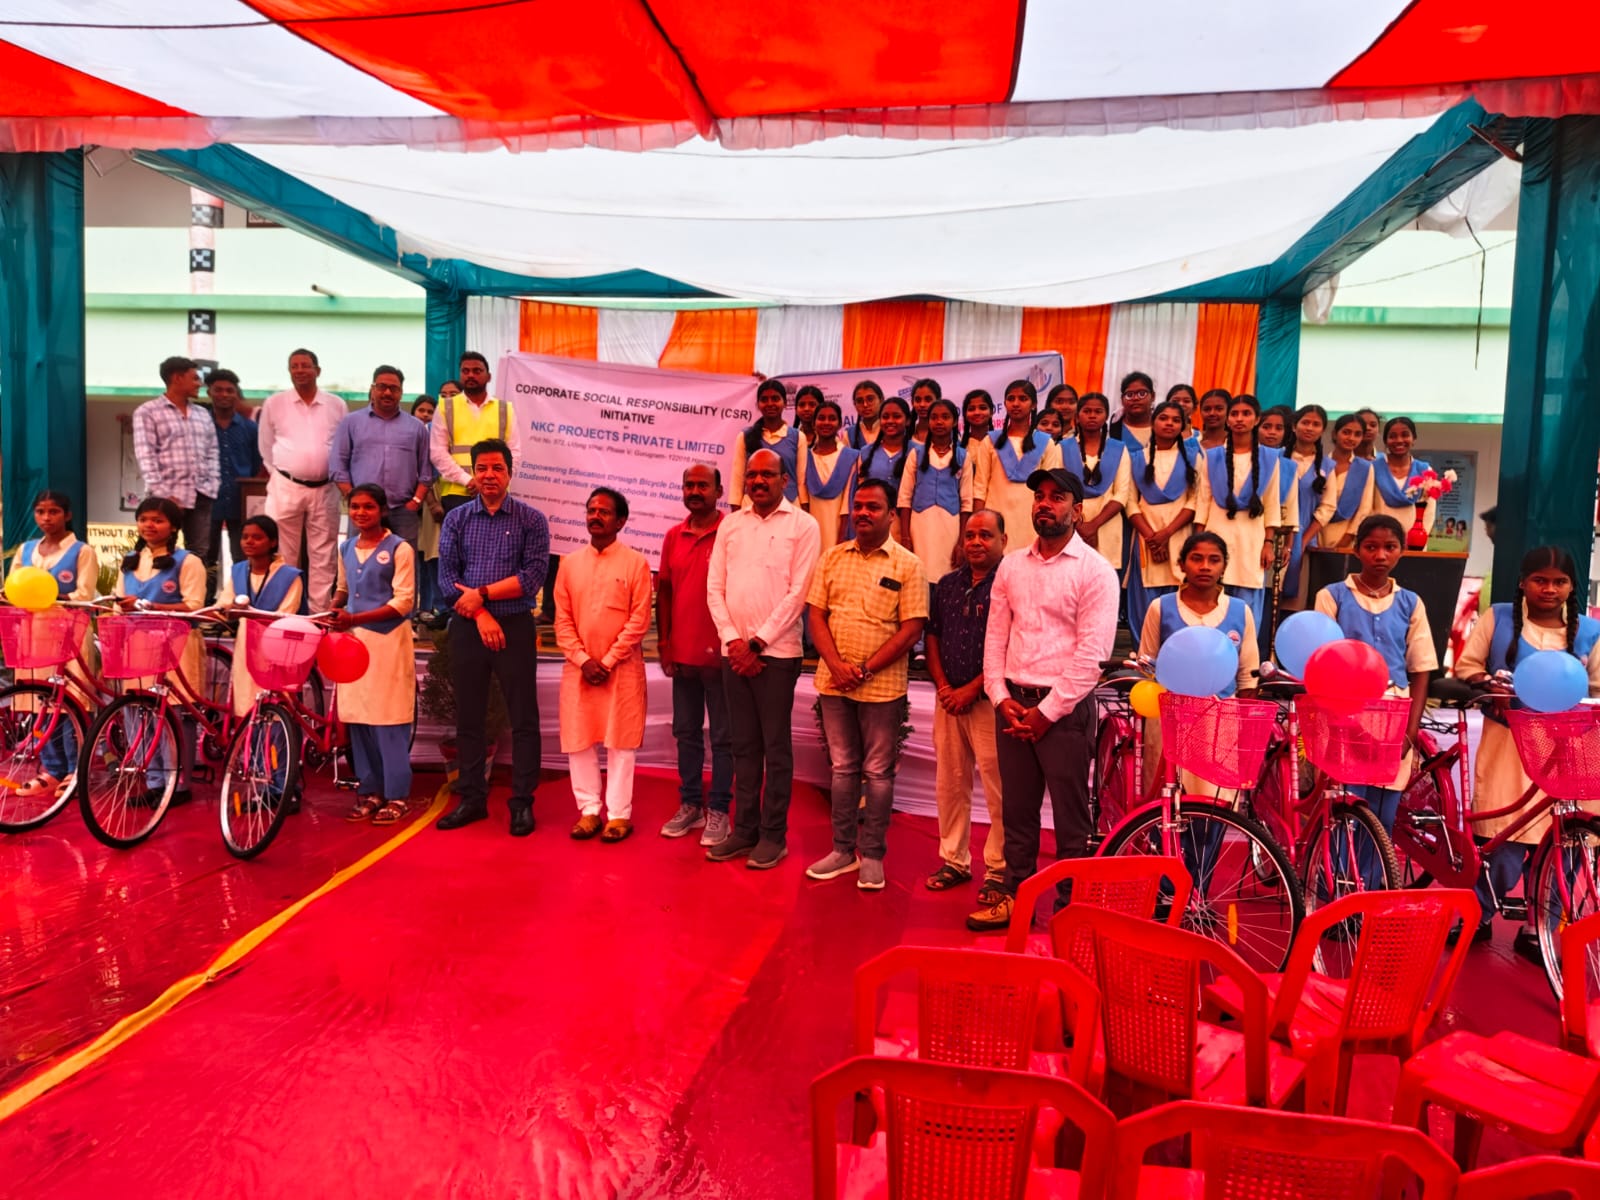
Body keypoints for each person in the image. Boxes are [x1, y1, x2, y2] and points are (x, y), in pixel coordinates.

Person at [967, 468, 1119, 931]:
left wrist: (1046, 713)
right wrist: (999, 697)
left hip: (1065, 711)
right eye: (1039, 496)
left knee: (1071, 819)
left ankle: (1071, 911)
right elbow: (995, 638)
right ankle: (1016, 899)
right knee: (1017, 812)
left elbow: (1093, 657)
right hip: (1013, 705)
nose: (1044, 504)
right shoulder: (1012, 565)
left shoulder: (1095, 570)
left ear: (1078, 511)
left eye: (1057, 497)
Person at [1454, 546, 1598, 954]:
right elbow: (1467, 666)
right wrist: (1489, 684)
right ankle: (1478, 915)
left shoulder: (1590, 632)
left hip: (1568, 750)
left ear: (1571, 587)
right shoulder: (1498, 618)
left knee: (1565, 844)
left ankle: (1539, 930)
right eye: (1540, 580)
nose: (1549, 589)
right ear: (1523, 583)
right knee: (1504, 841)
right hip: (1509, 748)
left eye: (1559, 582)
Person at [804, 477, 928, 891]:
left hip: (882, 688)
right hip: (834, 683)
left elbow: (911, 629)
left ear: (892, 515)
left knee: (877, 773)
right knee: (842, 769)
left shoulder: (908, 565)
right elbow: (816, 615)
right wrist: (837, 666)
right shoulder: (832, 557)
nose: (862, 513)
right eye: (858, 506)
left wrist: (865, 669)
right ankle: (842, 851)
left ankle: (872, 855)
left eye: (872, 507)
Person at [704, 448, 821, 868]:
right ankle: (744, 830)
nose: (757, 481)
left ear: (784, 480)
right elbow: (714, 588)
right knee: (743, 746)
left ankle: (773, 835)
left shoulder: (803, 525)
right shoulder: (731, 524)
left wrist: (757, 644)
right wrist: (734, 641)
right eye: (752, 475)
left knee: (775, 747)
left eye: (767, 475)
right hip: (734, 654)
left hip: (777, 655)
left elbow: (799, 593)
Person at [435, 438, 549, 837]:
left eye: (497, 468)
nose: (489, 475)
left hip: (515, 626)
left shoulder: (532, 520)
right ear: (472, 473)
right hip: (469, 627)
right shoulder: (457, 519)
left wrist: (482, 594)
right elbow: (447, 580)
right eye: (481, 468)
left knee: (523, 718)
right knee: (469, 717)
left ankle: (522, 803)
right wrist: (481, 613)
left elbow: (531, 579)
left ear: (510, 473)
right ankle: (472, 799)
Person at [1312, 515, 1437, 870]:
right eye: (1371, 547)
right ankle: (1337, 886)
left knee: (1383, 814)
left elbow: (1421, 669)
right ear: (1357, 550)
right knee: (1346, 806)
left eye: (1389, 547)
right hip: (1344, 715)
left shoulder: (1410, 603)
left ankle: (1370, 885)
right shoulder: (1332, 596)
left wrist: (1410, 732)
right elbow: (1321, 662)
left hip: (1394, 717)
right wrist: (1337, 719)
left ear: (1401, 551)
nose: (1380, 555)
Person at [554, 488, 653, 842]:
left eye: (604, 512)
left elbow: (639, 621)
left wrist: (607, 661)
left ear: (621, 521)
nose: (595, 516)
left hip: (621, 668)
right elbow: (562, 620)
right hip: (579, 668)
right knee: (579, 739)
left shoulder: (635, 563)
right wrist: (583, 660)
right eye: (591, 510)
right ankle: (589, 810)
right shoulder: (569, 564)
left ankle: (619, 814)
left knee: (620, 741)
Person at [924, 509, 1008, 907]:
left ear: (1003, 541)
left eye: (985, 535)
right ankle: (954, 860)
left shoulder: (1011, 584)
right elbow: (933, 636)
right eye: (970, 535)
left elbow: (1011, 645)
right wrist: (944, 687)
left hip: (991, 702)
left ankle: (998, 869)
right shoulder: (947, 584)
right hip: (948, 701)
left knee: (998, 788)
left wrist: (972, 690)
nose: (976, 542)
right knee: (951, 784)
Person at [1137, 532, 1259, 798]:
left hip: (1221, 717)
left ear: (1224, 566)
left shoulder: (1240, 611)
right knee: (1167, 796)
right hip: (1170, 717)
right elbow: (1146, 665)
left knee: (1217, 798)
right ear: (1181, 564)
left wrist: (1243, 725)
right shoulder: (1161, 608)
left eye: (1214, 560)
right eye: (1196, 559)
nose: (1205, 566)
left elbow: (1248, 674)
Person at [329, 486, 417, 825]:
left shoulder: (399, 548)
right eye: (354, 507)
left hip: (388, 642)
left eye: (368, 507)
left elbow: (403, 602)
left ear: (382, 510)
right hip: (353, 644)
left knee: (388, 718)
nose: (360, 513)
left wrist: (354, 618)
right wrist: (333, 609)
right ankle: (371, 791)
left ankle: (397, 795)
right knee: (359, 718)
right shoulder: (346, 547)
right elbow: (343, 588)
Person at [657, 465, 734, 845]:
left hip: (723, 656)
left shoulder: (732, 533)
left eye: (703, 485)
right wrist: (664, 644)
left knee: (723, 737)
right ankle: (690, 805)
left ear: (719, 491)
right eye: (689, 485)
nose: (695, 491)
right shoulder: (674, 536)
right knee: (685, 733)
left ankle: (719, 810)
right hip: (683, 654)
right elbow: (665, 592)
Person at [115, 496, 207, 806]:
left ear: (174, 526)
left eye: (158, 520)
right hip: (136, 644)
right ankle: (154, 781)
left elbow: (194, 607)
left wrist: (149, 605)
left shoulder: (188, 561)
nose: (149, 525)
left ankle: (178, 784)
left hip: (176, 645)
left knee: (174, 714)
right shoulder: (130, 559)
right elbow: (119, 602)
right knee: (138, 713)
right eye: (144, 519)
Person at [8, 490, 99, 801]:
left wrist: (49, 596)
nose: (46, 518)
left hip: (69, 634)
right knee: (41, 704)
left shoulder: (82, 551)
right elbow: (14, 588)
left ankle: (76, 770)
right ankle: (52, 769)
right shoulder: (26, 550)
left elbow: (85, 595)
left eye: (54, 511)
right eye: (41, 512)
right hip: (32, 636)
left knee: (70, 703)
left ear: (67, 515)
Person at [257, 348, 346, 610]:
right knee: (283, 553)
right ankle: (285, 611)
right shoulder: (274, 403)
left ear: (317, 370)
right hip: (286, 485)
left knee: (323, 554)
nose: (299, 370)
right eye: (294, 366)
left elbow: (342, 445)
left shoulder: (336, 405)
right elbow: (265, 446)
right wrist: (285, 472)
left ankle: (319, 614)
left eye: (305, 365)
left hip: (326, 487)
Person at [1194, 392, 1282, 630]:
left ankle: (1244, 652)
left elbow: (1272, 503)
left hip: (1252, 541)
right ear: (1228, 419)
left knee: (1247, 608)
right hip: (1216, 535)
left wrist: (1268, 543)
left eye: (1246, 413)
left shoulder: (1270, 458)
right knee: (1212, 600)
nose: (1239, 419)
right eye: (1234, 414)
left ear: (1257, 419)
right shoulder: (1213, 457)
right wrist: (1198, 542)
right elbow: (1203, 501)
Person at [329, 365, 433, 550]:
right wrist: (353, 498)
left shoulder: (416, 427)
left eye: (393, 388)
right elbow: (338, 465)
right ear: (373, 389)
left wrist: (416, 501)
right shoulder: (351, 422)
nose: (387, 392)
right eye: (382, 387)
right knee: (361, 561)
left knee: (404, 563)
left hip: (403, 512)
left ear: (401, 392)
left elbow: (426, 470)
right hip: (363, 511)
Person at [216, 515, 306, 719]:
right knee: (246, 704)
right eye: (245, 537)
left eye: (257, 537)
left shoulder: (289, 576)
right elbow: (224, 604)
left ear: (273, 542)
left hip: (279, 647)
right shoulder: (238, 571)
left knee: (277, 709)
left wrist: (244, 612)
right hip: (245, 646)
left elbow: (287, 614)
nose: (249, 541)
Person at [132, 356, 220, 559]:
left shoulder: (202, 414)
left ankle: (195, 582)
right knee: (158, 550)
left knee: (199, 553)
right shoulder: (148, 412)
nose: (199, 384)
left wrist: (212, 486)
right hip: (165, 497)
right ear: (177, 378)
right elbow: (146, 455)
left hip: (201, 494)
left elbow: (213, 452)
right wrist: (163, 494)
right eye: (195, 378)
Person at [1125, 398, 1198, 627]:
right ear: (1153, 422)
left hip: (1179, 534)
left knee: (1178, 596)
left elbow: (1195, 500)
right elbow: (1130, 502)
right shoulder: (1137, 458)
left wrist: (1166, 534)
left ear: (1183, 425)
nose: (1169, 423)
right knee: (1145, 602)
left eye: (1176, 420)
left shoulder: (1193, 457)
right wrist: (1152, 538)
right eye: (1163, 418)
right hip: (1145, 537)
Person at [974, 379, 1062, 554]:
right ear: (1004, 403)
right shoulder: (990, 441)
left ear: (1033, 404)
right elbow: (980, 488)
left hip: (1031, 522)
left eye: (1023, 399)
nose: (1016, 403)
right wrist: (978, 525)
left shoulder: (1046, 443)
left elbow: (1051, 489)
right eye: (1011, 398)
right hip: (994, 520)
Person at [430, 351, 523, 514]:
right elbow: (438, 452)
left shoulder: (505, 409)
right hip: (457, 492)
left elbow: (514, 452)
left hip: (496, 493)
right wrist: (467, 480)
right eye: (465, 371)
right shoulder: (446, 407)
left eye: (477, 371)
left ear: (489, 377)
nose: (470, 375)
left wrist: (494, 482)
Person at [897, 396, 972, 579]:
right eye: (934, 417)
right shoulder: (916, 454)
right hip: (920, 527)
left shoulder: (963, 457)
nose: (939, 422)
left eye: (945, 417)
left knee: (947, 577)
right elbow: (904, 499)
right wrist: (905, 537)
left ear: (954, 422)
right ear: (928, 421)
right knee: (919, 576)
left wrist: (962, 542)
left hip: (950, 528)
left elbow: (967, 503)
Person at [202, 367, 262, 593]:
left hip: (240, 500)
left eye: (230, 390)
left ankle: (240, 600)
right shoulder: (201, 425)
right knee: (206, 556)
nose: (224, 395)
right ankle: (206, 603)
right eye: (219, 390)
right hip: (207, 500)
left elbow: (256, 463)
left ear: (236, 393)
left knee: (243, 555)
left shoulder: (250, 428)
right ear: (209, 392)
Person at [1059, 392, 1133, 574]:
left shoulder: (1118, 449)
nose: (1092, 415)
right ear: (1078, 416)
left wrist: (1093, 526)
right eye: (1087, 411)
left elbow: (1122, 494)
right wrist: (1079, 526)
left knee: (1105, 578)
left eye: (1098, 411)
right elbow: (1059, 490)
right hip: (1071, 526)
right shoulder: (1062, 448)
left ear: (1106, 416)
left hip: (1108, 527)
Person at [1280, 405, 1332, 609]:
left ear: (1322, 430)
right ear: (1294, 426)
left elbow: (1327, 507)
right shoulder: (1277, 458)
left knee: (1296, 600)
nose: (1310, 428)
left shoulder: (1327, 466)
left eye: (1316, 424)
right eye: (1305, 422)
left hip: (1306, 538)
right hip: (1276, 533)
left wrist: (1303, 541)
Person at [1305, 413, 1375, 553]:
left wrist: (1345, 542)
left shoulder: (1364, 468)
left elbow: (1364, 509)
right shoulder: (1319, 463)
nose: (1351, 438)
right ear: (1334, 434)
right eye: (1346, 432)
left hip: (1346, 538)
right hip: (1312, 533)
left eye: (1357, 434)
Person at [730, 378, 804, 506]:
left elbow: (801, 480)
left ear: (785, 403)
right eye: (764, 400)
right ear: (758, 404)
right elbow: (738, 478)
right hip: (752, 506)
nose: (770, 404)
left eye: (775, 399)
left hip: (789, 506)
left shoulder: (798, 437)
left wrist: (803, 507)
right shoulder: (745, 436)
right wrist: (736, 507)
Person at [799, 400, 859, 555]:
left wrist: (842, 536)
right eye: (821, 418)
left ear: (840, 424)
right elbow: (803, 497)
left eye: (832, 418)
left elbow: (847, 502)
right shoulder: (805, 457)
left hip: (840, 529)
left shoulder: (851, 457)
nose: (826, 422)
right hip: (810, 527)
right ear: (814, 423)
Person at [855, 396, 912, 529]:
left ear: (908, 421)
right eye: (885, 417)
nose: (890, 421)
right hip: (874, 522)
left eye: (896, 416)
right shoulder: (865, 452)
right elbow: (861, 489)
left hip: (908, 523)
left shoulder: (918, 452)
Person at [411, 395, 445, 616]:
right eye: (421, 410)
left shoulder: (438, 436)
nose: (425, 415)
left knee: (433, 554)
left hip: (433, 500)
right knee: (419, 556)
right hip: (413, 502)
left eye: (430, 411)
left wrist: (431, 501)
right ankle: (422, 607)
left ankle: (434, 607)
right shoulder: (409, 435)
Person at [1373, 416, 1436, 530]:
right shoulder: (1373, 468)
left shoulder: (1424, 471)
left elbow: (1429, 511)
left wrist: (1420, 535)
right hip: (1377, 535)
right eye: (1392, 436)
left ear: (1414, 438)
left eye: (1405, 435)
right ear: (1385, 441)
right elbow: (1367, 507)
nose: (1399, 440)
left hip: (1414, 537)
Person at [1110, 371, 1155, 450]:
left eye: (1142, 393)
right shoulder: (1112, 427)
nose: (1135, 398)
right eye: (1129, 395)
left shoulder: (1164, 425)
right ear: (1122, 399)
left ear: (1153, 396)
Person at [847, 380, 883, 450]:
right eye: (859, 401)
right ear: (855, 404)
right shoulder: (849, 434)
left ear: (881, 400)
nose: (865, 405)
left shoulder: (890, 429)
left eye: (870, 399)